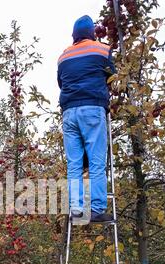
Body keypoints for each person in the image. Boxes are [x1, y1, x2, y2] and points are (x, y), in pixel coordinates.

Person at [58, 15, 116, 222]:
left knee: (74, 164)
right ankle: (98, 209)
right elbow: (113, 78)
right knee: (96, 162)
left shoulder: (63, 56)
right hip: (92, 109)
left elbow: (61, 83)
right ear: (92, 33)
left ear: (74, 35)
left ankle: (76, 209)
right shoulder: (102, 50)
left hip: (69, 112)